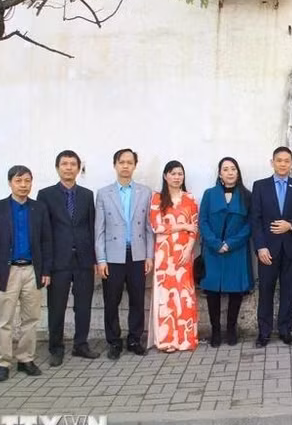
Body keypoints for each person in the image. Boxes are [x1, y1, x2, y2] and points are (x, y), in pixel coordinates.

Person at [0, 165, 52, 382]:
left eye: (27, 181)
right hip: (7, 271)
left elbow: (46, 241)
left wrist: (46, 270)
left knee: (30, 318)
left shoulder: (39, 208)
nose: (23, 185)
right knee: (4, 320)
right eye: (18, 181)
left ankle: (25, 359)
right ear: (10, 183)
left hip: (32, 270)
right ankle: (1, 362)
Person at [37, 150, 99, 366]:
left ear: (79, 168)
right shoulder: (45, 195)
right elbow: (43, 230)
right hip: (58, 261)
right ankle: (56, 348)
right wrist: (45, 263)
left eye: (73, 164)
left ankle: (81, 345)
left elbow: (92, 227)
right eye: (64, 164)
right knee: (56, 306)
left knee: (83, 305)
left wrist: (94, 258)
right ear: (57, 168)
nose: (69, 167)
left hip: (83, 259)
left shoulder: (87, 194)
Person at [95, 148, 154, 359]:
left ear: (135, 165)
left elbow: (149, 227)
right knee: (112, 300)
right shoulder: (103, 193)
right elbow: (99, 229)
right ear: (115, 165)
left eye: (130, 162)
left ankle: (134, 339)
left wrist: (149, 256)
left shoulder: (145, 192)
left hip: (137, 255)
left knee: (137, 299)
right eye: (122, 162)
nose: (126, 166)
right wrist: (101, 259)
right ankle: (114, 341)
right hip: (113, 256)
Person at [250, 147, 292, 347]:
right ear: (272, 162)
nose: (283, 164)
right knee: (266, 291)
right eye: (279, 160)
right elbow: (255, 219)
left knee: (288, 292)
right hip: (267, 250)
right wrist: (260, 247)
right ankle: (264, 333)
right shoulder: (260, 186)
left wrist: (290, 225)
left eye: (287, 161)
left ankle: (286, 331)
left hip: (290, 249)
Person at [199, 157, 254, 347]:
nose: (230, 172)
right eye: (225, 169)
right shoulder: (209, 194)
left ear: (238, 173)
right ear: (220, 173)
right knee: (212, 292)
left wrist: (230, 243)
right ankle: (215, 331)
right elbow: (203, 221)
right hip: (213, 251)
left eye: (233, 169)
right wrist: (215, 243)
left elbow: (250, 224)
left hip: (236, 251)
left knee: (235, 292)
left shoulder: (247, 196)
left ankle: (231, 329)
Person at [148, 160, 199, 352]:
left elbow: (195, 227)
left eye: (180, 174)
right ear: (165, 176)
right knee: (166, 296)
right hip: (164, 254)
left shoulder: (190, 199)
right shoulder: (157, 198)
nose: (177, 177)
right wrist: (183, 226)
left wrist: (188, 249)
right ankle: (166, 340)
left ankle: (186, 339)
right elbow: (156, 226)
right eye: (173, 174)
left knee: (184, 294)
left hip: (184, 253)